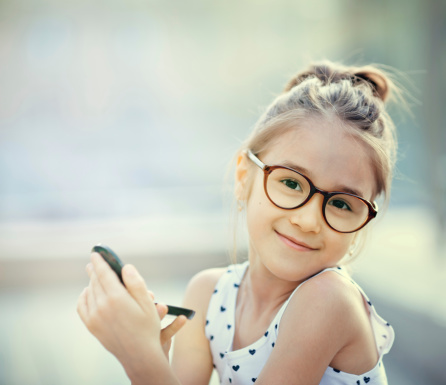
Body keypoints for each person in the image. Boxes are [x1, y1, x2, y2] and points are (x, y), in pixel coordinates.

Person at [78, 60, 402, 385]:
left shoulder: (328, 300)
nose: (308, 221)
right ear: (244, 175)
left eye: (342, 204)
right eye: (291, 183)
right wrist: (153, 355)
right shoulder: (208, 295)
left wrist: (139, 356)